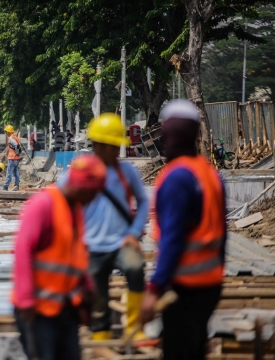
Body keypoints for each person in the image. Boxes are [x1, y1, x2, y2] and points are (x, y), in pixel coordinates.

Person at [141, 100, 226, 360]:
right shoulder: (210, 175)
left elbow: (173, 241)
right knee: (195, 347)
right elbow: (223, 235)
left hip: (183, 286)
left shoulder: (177, 177)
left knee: (178, 351)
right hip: (210, 284)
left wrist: (154, 290)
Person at [59, 113, 148, 340]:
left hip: (121, 242)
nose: (117, 150)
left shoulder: (126, 172)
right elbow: (58, 198)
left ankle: (134, 327)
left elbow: (144, 201)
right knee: (98, 296)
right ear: (98, 145)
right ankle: (101, 336)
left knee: (136, 269)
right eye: (112, 145)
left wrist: (134, 233)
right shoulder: (80, 171)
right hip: (91, 246)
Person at [12, 154, 107, 360]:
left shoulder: (76, 210)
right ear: (81, 187)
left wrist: (87, 288)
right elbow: (22, 250)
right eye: (93, 194)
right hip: (38, 309)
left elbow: (76, 256)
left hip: (65, 307)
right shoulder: (44, 205)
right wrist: (25, 299)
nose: (94, 200)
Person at [4, 125, 22, 191]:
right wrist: (18, 154)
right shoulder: (15, 137)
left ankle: (6, 186)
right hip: (16, 159)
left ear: (9, 132)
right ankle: (16, 185)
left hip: (12, 158)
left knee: (9, 173)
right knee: (16, 172)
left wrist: (16, 153)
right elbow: (18, 146)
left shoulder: (11, 138)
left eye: (6, 132)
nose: (6, 133)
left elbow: (16, 146)